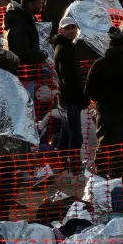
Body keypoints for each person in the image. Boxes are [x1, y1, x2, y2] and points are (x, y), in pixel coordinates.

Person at [84, 35, 123, 148]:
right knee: (120, 144)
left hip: (104, 110)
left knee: (103, 144)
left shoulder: (98, 64)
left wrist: (99, 102)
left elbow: (89, 89)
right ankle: (116, 165)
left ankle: (101, 165)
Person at [53, 15, 87, 157]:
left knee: (66, 135)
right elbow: (69, 78)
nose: (71, 31)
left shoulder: (68, 47)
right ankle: (74, 168)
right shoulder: (64, 50)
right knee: (76, 137)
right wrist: (81, 97)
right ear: (61, 30)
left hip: (67, 98)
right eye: (67, 28)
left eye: (73, 27)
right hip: (70, 100)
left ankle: (61, 167)